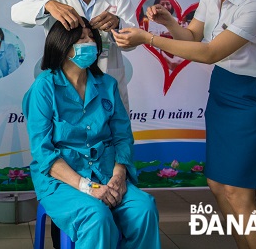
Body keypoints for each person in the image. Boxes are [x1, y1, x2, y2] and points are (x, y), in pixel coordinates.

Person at [113, 0, 256, 249]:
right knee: (219, 185)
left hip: (253, 98)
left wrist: (148, 38)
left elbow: (209, 52)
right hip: (223, 91)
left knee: (239, 191)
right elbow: (193, 37)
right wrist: (169, 23)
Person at [23, 19, 160, 249]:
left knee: (144, 208)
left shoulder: (107, 84)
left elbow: (122, 136)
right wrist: (87, 187)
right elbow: (44, 153)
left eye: (91, 37)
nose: (90, 42)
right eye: (81, 38)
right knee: (97, 216)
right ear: (62, 45)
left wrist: (118, 175)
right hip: (62, 180)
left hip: (107, 173)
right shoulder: (44, 88)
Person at [11, 0, 138, 113]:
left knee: (114, 132)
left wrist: (118, 24)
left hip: (106, 85)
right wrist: (47, 5)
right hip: (65, 87)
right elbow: (16, 13)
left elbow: (132, 42)